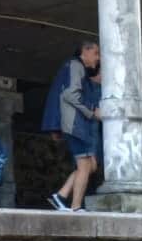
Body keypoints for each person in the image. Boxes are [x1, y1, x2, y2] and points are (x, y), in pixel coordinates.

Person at [40, 40, 101, 213]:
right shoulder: (75, 65)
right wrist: (92, 111)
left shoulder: (76, 67)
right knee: (84, 165)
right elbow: (70, 94)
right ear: (85, 51)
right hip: (75, 123)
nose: (98, 58)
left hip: (76, 123)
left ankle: (61, 195)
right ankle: (75, 206)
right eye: (96, 53)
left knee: (91, 165)